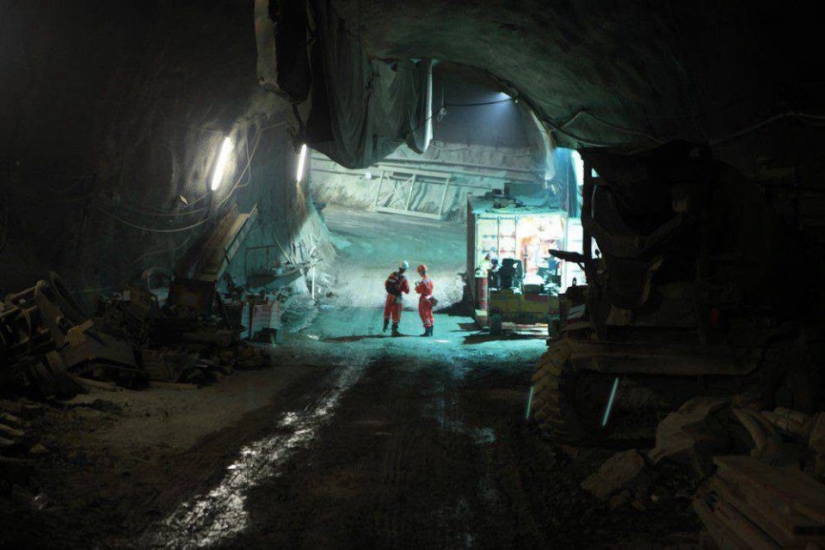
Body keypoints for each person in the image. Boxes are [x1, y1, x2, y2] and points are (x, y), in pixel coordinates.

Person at [384, 260, 410, 336]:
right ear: (405, 269)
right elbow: (407, 290)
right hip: (397, 297)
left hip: (389, 295)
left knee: (387, 310)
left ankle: (385, 326)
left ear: (399, 267)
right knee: (396, 313)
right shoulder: (404, 278)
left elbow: (386, 283)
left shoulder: (392, 274)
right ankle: (394, 331)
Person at [414, 264, 434, 337]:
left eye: (419, 272)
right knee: (429, 314)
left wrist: (416, 286)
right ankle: (431, 330)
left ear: (421, 272)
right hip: (430, 297)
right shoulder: (430, 279)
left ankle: (427, 331)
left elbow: (419, 291)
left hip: (424, 298)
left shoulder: (423, 282)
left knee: (424, 314)